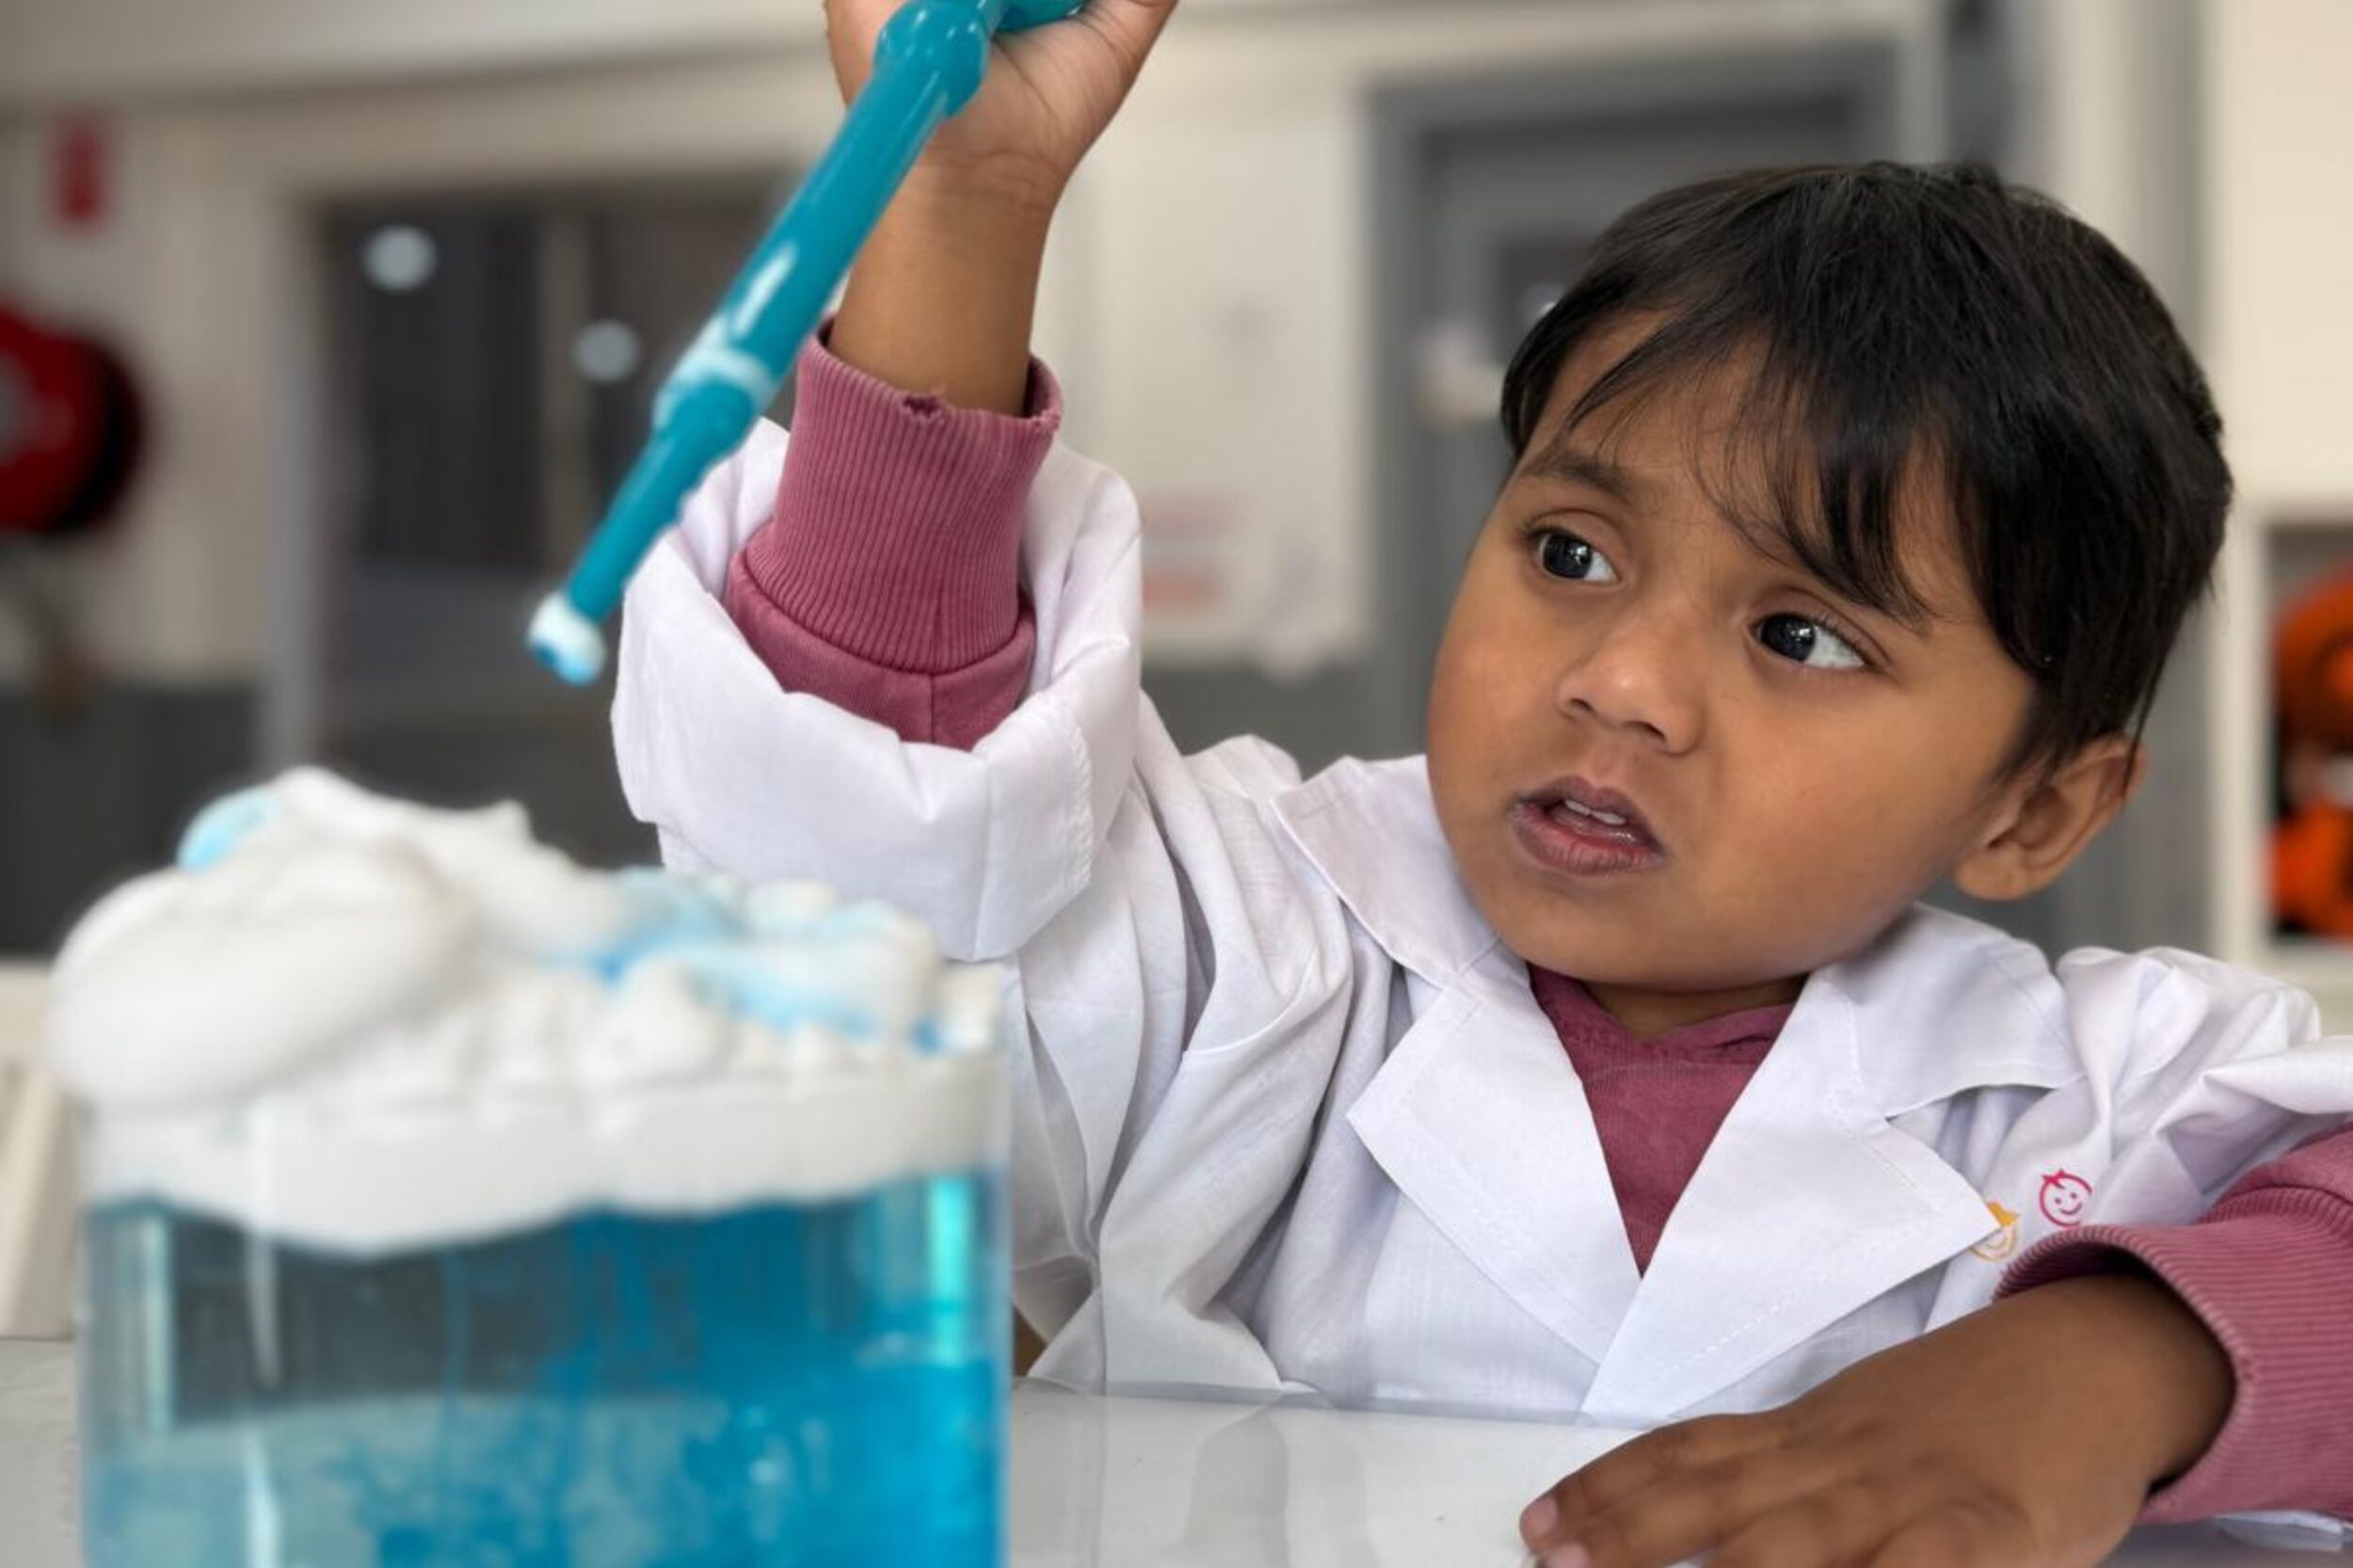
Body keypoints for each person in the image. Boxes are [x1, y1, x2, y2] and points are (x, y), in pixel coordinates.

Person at [612, 3, 2353, 1562]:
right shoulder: (1253, 938)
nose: (1621, 681)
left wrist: (2100, 1365)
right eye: (1573, 552)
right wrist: (961, 207)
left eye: (1801, 635)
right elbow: (875, 849)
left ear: (2036, 809)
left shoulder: (2111, 1094)